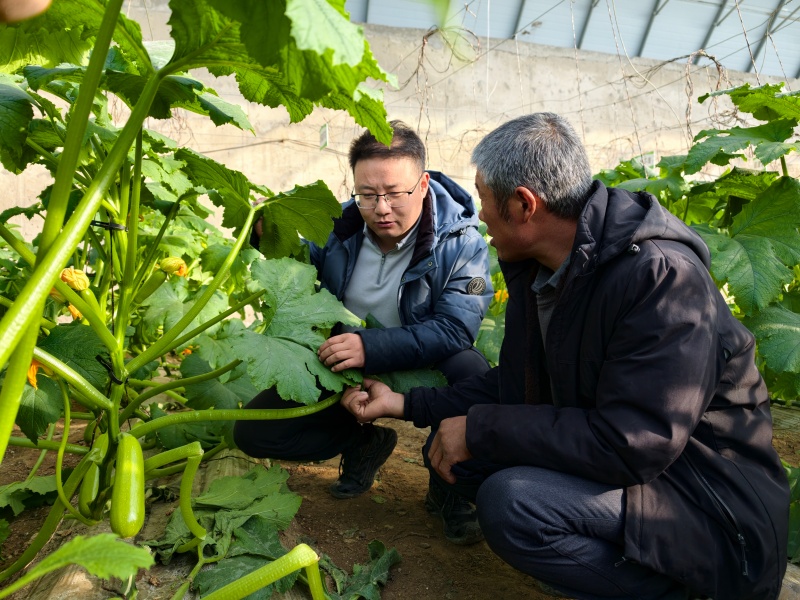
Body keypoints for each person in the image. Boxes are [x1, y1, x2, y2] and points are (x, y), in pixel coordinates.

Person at [340, 113, 790, 599]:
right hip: (646, 479)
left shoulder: (661, 278)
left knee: (511, 501)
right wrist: (405, 405)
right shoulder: (545, 268)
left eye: (484, 197)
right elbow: (513, 385)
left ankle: (686, 590)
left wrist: (479, 428)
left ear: (524, 205)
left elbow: (633, 441)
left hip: (709, 509)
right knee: (473, 463)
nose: (478, 212)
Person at [234, 121, 493, 540]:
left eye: (394, 193)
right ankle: (362, 442)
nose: (382, 208)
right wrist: (263, 233)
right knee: (254, 431)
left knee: (472, 372)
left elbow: (454, 328)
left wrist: (369, 347)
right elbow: (296, 265)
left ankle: (450, 486)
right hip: (344, 357)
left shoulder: (462, 241)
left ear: (423, 184)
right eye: (368, 195)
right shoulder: (338, 227)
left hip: (419, 358)